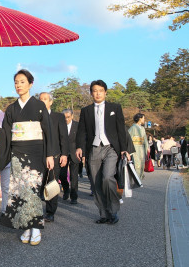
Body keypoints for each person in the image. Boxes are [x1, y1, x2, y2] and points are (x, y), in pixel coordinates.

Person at [0, 69, 54, 245]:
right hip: (17, 153)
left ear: (31, 84)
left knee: (32, 190)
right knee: (20, 190)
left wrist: (50, 154)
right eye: (16, 82)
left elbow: (48, 131)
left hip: (36, 152)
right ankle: (26, 226)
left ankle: (36, 227)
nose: (18, 85)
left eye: (22, 81)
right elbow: (7, 134)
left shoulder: (39, 106)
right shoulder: (11, 109)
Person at [76, 80, 129, 225]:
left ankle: (113, 211)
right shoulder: (85, 111)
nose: (97, 93)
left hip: (111, 148)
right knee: (96, 183)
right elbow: (82, 131)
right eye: (94, 90)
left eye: (100, 90)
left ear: (105, 92)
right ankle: (104, 214)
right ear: (91, 93)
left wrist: (124, 149)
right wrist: (79, 147)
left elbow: (121, 130)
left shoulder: (115, 108)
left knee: (107, 177)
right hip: (93, 149)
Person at [38, 92, 68, 221]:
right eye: (40, 99)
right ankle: (36, 210)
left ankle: (50, 212)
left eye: (45, 99)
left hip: (55, 155)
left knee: (52, 183)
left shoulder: (58, 117)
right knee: (38, 184)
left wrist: (65, 154)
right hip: (38, 155)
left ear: (51, 102)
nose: (43, 101)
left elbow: (64, 137)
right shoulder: (35, 117)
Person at [59, 108, 79, 205]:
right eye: (64, 117)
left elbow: (81, 139)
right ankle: (66, 189)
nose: (66, 119)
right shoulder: (59, 125)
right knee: (62, 175)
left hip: (74, 153)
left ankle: (74, 197)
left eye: (68, 117)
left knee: (74, 176)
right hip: (63, 154)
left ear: (72, 116)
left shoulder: (77, 125)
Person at [128, 113, 149, 179]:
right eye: (143, 118)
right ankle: (136, 178)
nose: (144, 120)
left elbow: (145, 139)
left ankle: (140, 176)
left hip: (142, 148)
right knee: (137, 163)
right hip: (135, 147)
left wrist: (147, 147)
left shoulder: (142, 128)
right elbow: (128, 138)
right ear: (140, 119)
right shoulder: (133, 127)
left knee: (142, 162)